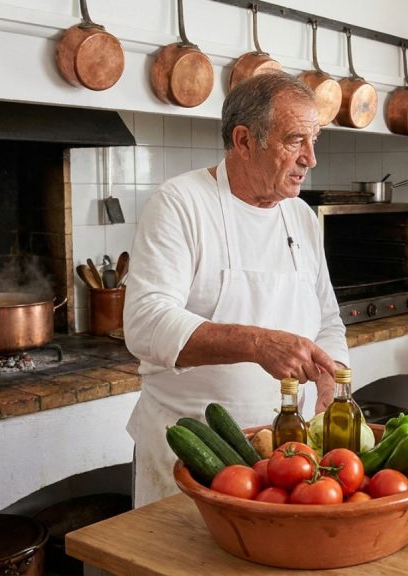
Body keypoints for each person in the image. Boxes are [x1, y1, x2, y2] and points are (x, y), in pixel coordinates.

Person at [122, 72, 349, 507]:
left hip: (283, 457)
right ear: (244, 141)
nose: (311, 159)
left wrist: (330, 374)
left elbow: (327, 319)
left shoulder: (300, 216)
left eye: (314, 140)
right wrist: (257, 344)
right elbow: (145, 323)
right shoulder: (180, 203)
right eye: (295, 140)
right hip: (191, 450)